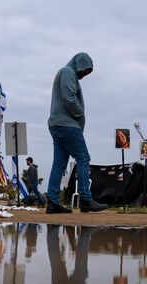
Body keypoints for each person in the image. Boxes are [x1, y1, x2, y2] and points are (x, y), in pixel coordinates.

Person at [46, 52, 107, 214]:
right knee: (83, 157)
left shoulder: (64, 72)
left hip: (57, 124)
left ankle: (52, 202)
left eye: (87, 72)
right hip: (68, 125)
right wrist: (80, 114)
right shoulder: (68, 72)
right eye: (84, 70)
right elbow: (69, 98)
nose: (84, 74)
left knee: (59, 164)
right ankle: (86, 199)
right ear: (78, 64)